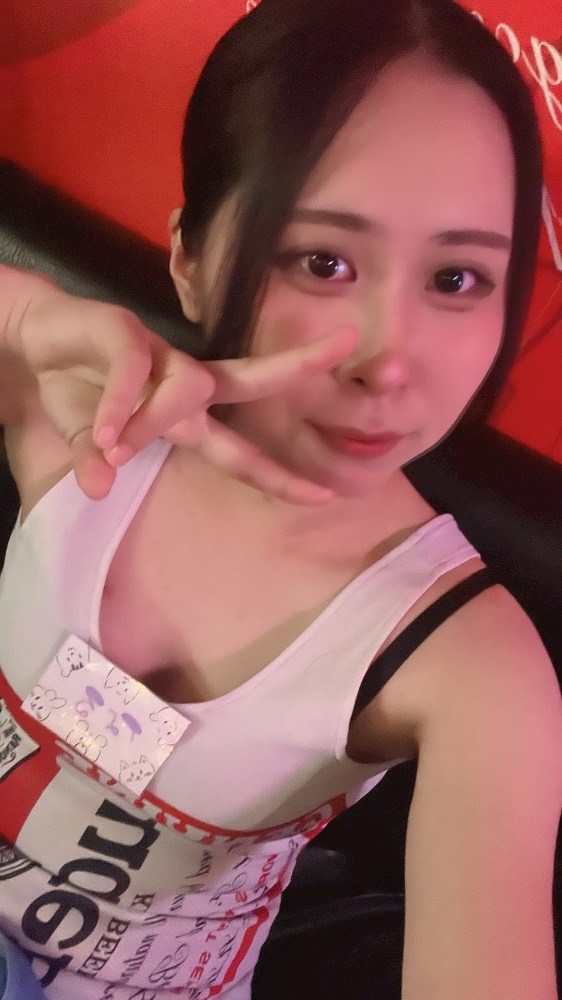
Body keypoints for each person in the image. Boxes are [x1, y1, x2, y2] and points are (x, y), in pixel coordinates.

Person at [0, 0, 560, 998]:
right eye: (324, 261)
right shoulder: (77, 410)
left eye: (457, 278)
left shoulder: (473, 668)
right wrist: (28, 317)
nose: (388, 360)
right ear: (188, 258)